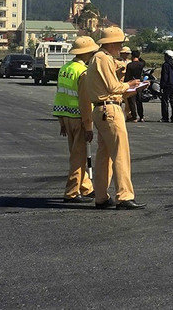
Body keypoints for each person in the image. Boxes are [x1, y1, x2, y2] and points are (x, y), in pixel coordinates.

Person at [85, 26, 144, 210]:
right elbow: (112, 87)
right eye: (119, 43)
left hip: (102, 110)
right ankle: (124, 196)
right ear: (110, 43)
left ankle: (101, 196)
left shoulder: (101, 58)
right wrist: (129, 85)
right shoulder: (103, 58)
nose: (120, 47)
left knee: (104, 156)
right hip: (110, 109)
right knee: (120, 154)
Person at [52, 36, 98, 203]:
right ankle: (71, 193)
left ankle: (86, 187)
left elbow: (60, 95)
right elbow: (85, 103)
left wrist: (61, 121)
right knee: (78, 158)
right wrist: (89, 127)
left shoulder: (65, 68)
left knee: (76, 154)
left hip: (66, 117)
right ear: (86, 53)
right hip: (79, 118)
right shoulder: (83, 73)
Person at [125, 49, 146, 122]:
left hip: (132, 83)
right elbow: (143, 62)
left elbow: (127, 76)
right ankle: (141, 116)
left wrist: (126, 84)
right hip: (139, 83)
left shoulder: (130, 65)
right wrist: (139, 57)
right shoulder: (141, 64)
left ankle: (134, 117)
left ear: (132, 56)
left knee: (132, 101)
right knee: (139, 101)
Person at [160, 49, 173, 123]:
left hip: (167, 85)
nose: (164, 57)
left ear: (168, 57)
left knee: (165, 101)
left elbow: (165, 76)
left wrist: (162, 86)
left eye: (165, 56)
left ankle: (165, 117)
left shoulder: (166, 65)